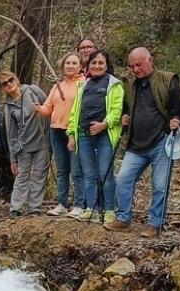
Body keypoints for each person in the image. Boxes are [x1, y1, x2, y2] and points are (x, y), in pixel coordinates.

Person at [107, 47, 180, 238]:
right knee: (123, 179)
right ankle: (123, 218)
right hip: (136, 144)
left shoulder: (168, 80)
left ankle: (155, 224)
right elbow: (127, 107)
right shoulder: (131, 86)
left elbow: (179, 106)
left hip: (161, 142)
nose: (135, 69)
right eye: (132, 66)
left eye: (139, 65)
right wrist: (125, 116)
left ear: (150, 61)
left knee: (159, 185)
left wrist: (176, 119)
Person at [68, 49, 123, 224]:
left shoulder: (114, 84)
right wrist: (71, 134)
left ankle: (109, 210)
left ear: (106, 65)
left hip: (104, 135)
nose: (97, 66)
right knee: (89, 175)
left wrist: (104, 124)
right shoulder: (83, 85)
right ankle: (90, 208)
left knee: (105, 174)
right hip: (84, 135)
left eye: (101, 63)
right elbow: (75, 113)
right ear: (88, 65)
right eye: (94, 63)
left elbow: (117, 110)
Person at [35, 54, 85, 216]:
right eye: (67, 63)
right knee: (62, 170)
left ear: (80, 66)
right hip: (56, 131)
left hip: (74, 131)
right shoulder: (57, 86)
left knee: (76, 170)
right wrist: (38, 108)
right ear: (63, 66)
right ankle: (62, 204)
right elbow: (48, 108)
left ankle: (79, 205)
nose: (70, 66)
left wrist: (74, 132)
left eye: (74, 63)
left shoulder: (84, 84)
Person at [0, 71, 49, 216]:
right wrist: (13, 158)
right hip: (23, 146)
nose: (9, 84)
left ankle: (35, 208)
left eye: (10, 80)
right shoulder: (8, 107)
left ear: (16, 79)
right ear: (3, 88)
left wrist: (41, 111)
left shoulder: (33, 90)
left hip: (42, 140)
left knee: (39, 175)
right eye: (5, 83)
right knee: (22, 176)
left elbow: (49, 107)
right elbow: (11, 134)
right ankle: (15, 208)